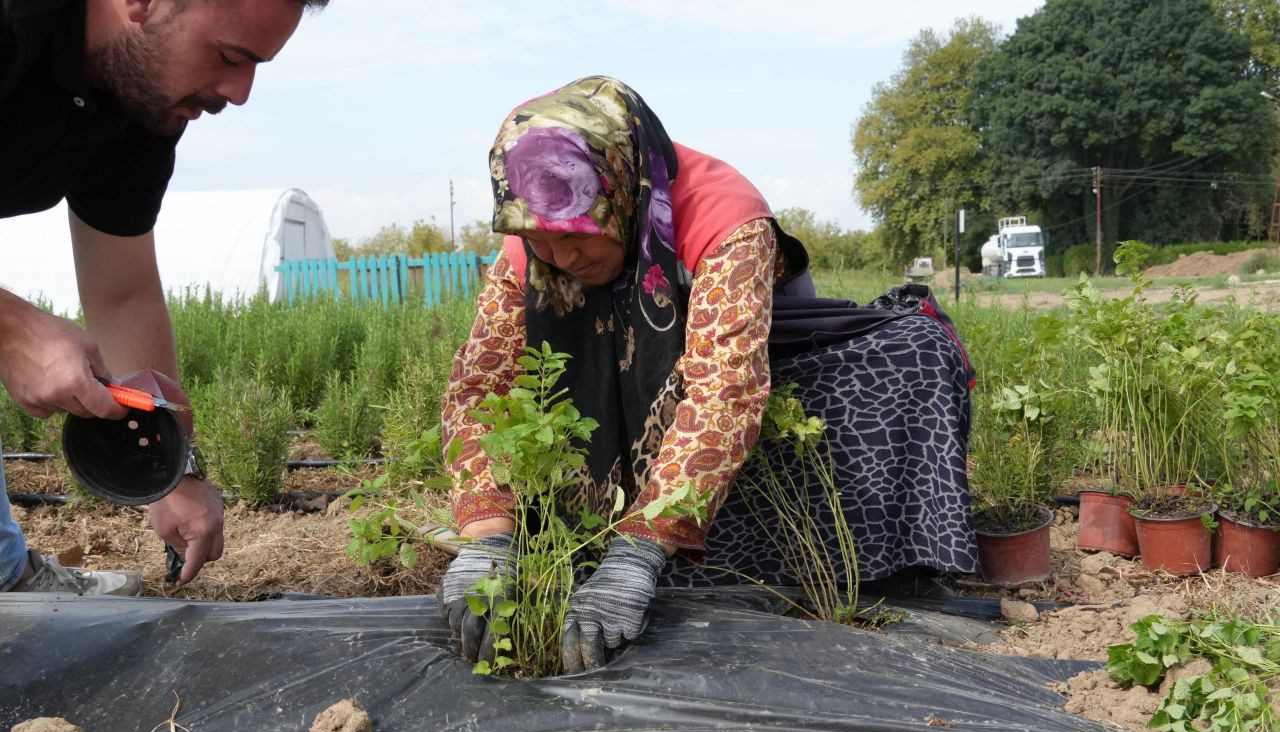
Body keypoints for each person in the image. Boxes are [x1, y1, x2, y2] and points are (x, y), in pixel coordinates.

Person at [440, 76, 977, 673]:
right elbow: (479, 389)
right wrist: (489, 536)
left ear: (619, 189)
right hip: (631, 384)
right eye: (539, 240)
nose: (561, 259)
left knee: (914, 351)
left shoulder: (722, 217)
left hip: (761, 363)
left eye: (575, 236)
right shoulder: (528, 242)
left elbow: (725, 391)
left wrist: (637, 554)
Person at [0, 0, 327, 596]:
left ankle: (4, 574)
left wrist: (173, 470)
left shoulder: (139, 105)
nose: (241, 91)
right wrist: (11, 329)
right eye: (230, 56)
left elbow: (122, 291)